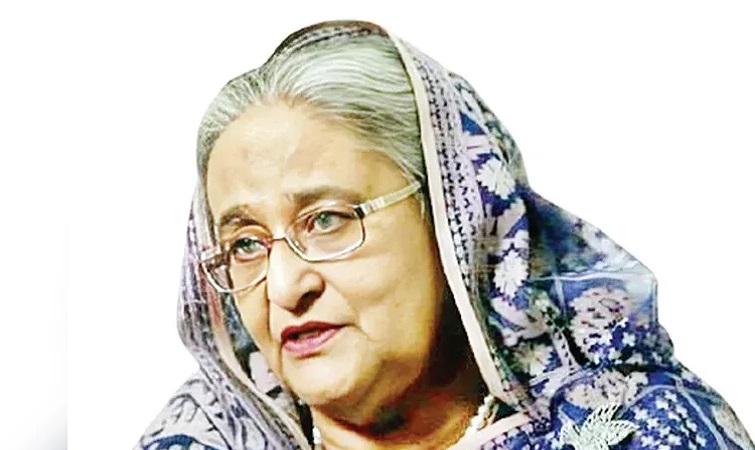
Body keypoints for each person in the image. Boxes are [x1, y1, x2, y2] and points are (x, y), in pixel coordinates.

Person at [135, 20, 754, 449]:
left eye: (327, 220)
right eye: (245, 244)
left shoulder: (643, 431)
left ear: (459, 222)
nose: (283, 287)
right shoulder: (196, 440)